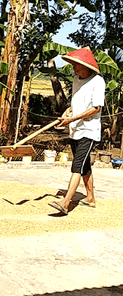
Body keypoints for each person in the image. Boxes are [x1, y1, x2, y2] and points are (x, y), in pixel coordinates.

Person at [48, 47, 105, 215]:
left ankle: (65, 203)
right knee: (85, 166)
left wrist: (71, 119)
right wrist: (68, 112)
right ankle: (90, 198)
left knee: (77, 165)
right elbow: (76, 102)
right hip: (76, 130)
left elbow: (96, 108)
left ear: (86, 66)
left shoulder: (97, 82)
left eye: (77, 65)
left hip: (89, 130)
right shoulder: (76, 78)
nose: (74, 67)